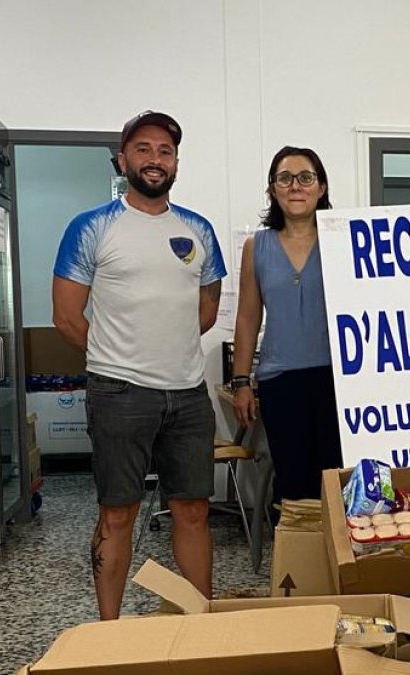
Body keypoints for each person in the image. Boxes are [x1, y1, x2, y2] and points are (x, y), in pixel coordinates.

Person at [52, 111, 226, 619]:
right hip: (119, 394)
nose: (155, 159)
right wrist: (121, 356)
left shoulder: (197, 229)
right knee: (118, 513)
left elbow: (208, 306)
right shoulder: (92, 227)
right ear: (123, 158)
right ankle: (110, 632)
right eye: (144, 149)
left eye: (165, 151)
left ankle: (201, 624)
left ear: (175, 162)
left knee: (193, 510)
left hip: (189, 394)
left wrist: (164, 347)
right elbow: (65, 316)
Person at [230, 146, 342, 508]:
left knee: (338, 482)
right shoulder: (256, 247)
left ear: (321, 188)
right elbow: (248, 318)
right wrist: (241, 381)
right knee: (293, 485)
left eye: (306, 177)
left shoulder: (344, 241)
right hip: (281, 382)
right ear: (273, 190)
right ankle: (297, 562)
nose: (296, 185)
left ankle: (340, 563)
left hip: (337, 380)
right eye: (285, 178)